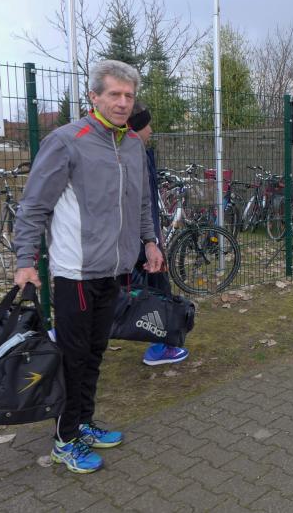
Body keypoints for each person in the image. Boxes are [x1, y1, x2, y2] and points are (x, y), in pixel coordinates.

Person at [13, 59, 164, 474]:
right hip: (76, 271)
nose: (123, 103)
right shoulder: (66, 141)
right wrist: (25, 261)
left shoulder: (132, 144)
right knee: (73, 357)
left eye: (129, 95)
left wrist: (150, 241)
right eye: (114, 94)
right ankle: (65, 440)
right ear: (93, 96)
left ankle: (83, 423)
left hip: (115, 269)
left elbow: (142, 201)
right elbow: (34, 206)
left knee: (95, 352)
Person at [126, 102, 189, 366]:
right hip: (140, 241)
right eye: (146, 125)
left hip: (138, 239)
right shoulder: (134, 156)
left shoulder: (136, 153)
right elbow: (144, 202)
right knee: (159, 290)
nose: (151, 130)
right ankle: (162, 346)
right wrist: (152, 240)